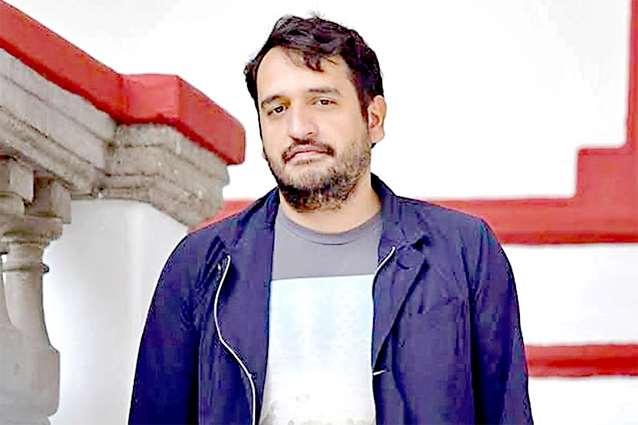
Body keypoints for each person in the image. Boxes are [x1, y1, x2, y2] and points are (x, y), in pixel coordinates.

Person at [129, 14, 533, 425]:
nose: (298, 128)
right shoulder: (201, 265)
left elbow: (507, 412)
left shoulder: (462, 251)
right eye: (277, 109)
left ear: (373, 118)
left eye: (322, 101)